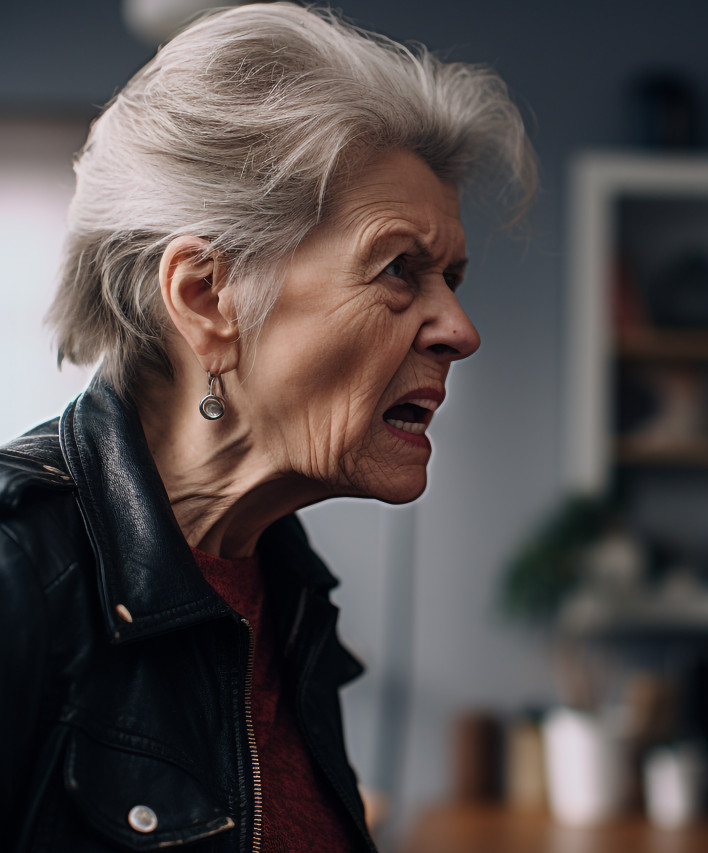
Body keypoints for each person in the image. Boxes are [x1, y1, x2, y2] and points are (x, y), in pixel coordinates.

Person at [0, 4, 534, 851]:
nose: (460, 330)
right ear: (208, 297)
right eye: (400, 268)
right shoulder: (17, 571)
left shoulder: (286, 597)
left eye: (453, 279)